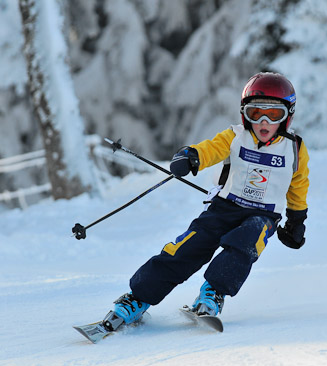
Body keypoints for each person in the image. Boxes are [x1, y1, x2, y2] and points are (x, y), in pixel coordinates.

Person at [101, 72, 310, 332]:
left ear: (287, 115)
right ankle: (137, 299)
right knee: (186, 249)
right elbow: (211, 148)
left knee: (245, 244)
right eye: (255, 113)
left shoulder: (294, 149)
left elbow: (298, 185)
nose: (264, 122)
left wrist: (296, 220)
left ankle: (212, 293)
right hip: (224, 207)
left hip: (264, 215)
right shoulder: (235, 137)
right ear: (244, 114)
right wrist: (190, 157)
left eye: (273, 114)